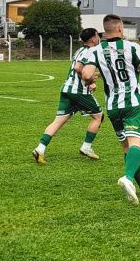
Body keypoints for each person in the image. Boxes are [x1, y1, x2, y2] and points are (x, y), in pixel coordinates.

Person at [80, 14, 140, 205]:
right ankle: (127, 178)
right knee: (136, 143)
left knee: (126, 146)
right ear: (120, 28)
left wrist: (91, 80)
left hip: (113, 107)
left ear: (105, 30)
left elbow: (86, 74)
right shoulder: (132, 47)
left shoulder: (95, 51)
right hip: (133, 104)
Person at [32, 28, 104, 164]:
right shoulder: (91, 51)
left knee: (58, 121)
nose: (99, 38)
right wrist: (89, 82)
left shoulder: (79, 50)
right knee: (98, 117)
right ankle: (86, 147)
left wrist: (93, 77)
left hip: (67, 89)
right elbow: (78, 68)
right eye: (98, 35)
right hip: (78, 91)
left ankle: (40, 149)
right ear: (94, 38)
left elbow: (78, 67)